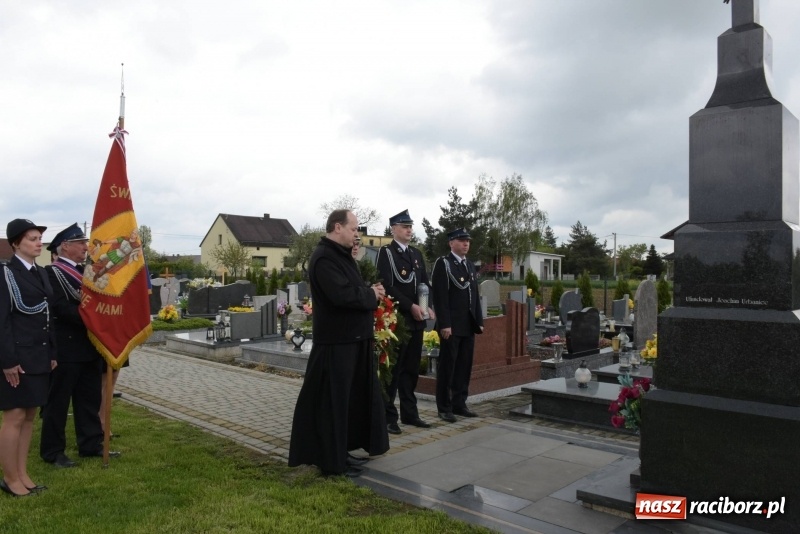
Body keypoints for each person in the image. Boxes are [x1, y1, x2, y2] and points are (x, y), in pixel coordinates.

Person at [288, 209, 389, 478]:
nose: (357, 234)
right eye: (354, 228)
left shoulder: (340, 256)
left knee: (347, 403)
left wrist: (370, 292)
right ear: (337, 227)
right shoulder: (323, 259)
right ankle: (332, 460)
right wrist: (370, 293)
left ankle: (341, 452)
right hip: (336, 343)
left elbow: (351, 289)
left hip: (352, 340)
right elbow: (341, 295)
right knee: (334, 404)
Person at [40, 223, 119, 468]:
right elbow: (59, 308)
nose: (86, 247)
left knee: (89, 399)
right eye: (81, 243)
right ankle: (53, 451)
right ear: (65, 246)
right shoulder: (51, 273)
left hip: (89, 345)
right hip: (66, 347)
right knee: (58, 403)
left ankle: (90, 444)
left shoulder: (89, 272)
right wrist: (94, 318)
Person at [0, 219, 57, 497]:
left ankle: (23, 474)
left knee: (30, 416)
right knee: (14, 416)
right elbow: (2, 320)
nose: (39, 243)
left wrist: (53, 352)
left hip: (39, 355)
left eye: (40, 238)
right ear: (15, 243)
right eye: (33, 238)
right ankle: (10, 478)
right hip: (17, 357)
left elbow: (48, 315)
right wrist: (7, 360)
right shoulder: (5, 273)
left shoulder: (40, 273)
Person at [376, 210, 435, 434]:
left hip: (417, 321)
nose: (409, 230)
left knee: (410, 370)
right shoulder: (387, 253)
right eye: (404, 226)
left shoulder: (416, 254)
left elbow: (424, 284)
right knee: (394, 370)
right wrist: (411, 306)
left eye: (410, 226)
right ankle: (388, 417)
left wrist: (428, 305)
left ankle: (410, 414)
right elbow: (387, 286)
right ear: (393, 229)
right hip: (398, 321)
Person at [430, 228, 483, 423]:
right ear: (451, 243)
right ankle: (444, 407)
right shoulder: (443, 264)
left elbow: (474, 295)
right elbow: (440, 296)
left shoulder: (469, 265)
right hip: (451, 326)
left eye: (467, 240)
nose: (466, 244)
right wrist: (444, 324)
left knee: (463, 366)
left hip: (467, 324)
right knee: (448, 367)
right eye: (461, 240)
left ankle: (459, 403)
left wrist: (479, 320)